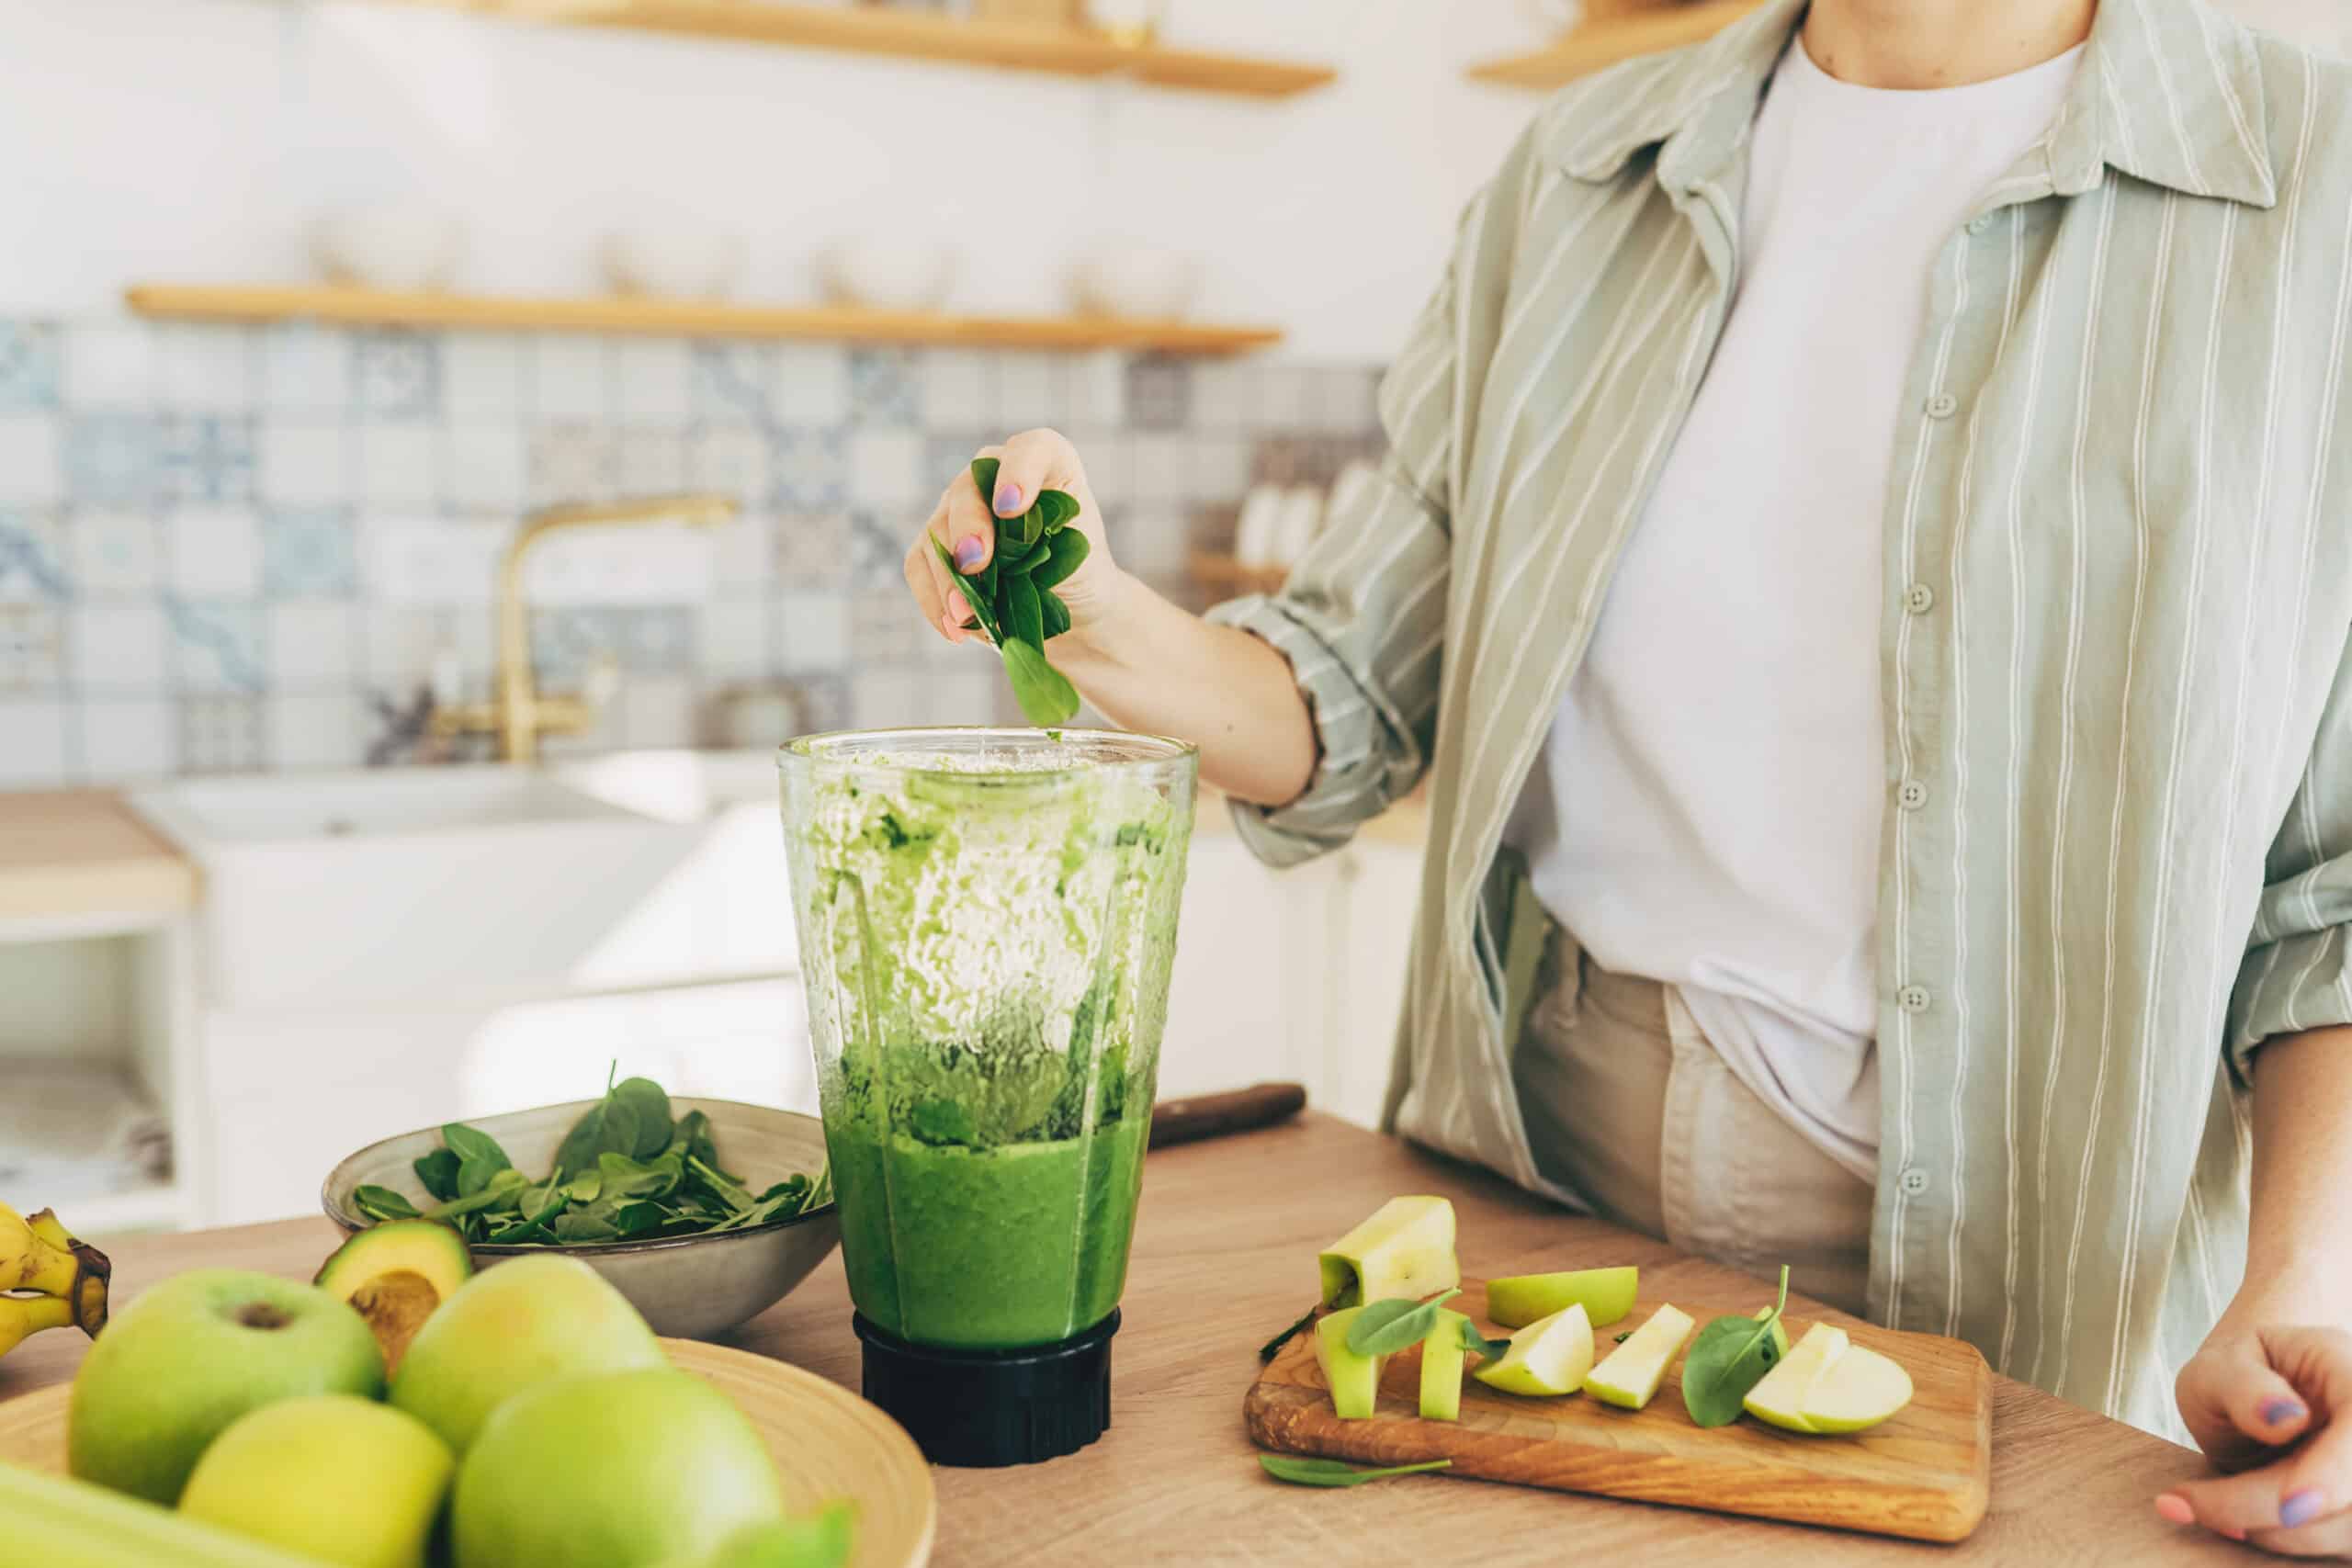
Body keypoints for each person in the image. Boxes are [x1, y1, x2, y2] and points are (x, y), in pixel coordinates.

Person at [903, 0, 2352, 1551]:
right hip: (1539, 1180)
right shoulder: (1584, 168)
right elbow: (1347, 690)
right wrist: (1097, 616)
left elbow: (2329, 892)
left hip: (2040, 1273)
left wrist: (2305, 1284)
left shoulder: (2312, 188)